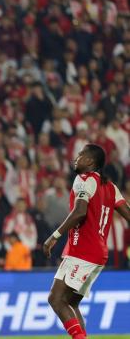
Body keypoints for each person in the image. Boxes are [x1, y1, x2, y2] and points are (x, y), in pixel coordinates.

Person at [43, 144, 130, 339]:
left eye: (81, 155)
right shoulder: (110, 187)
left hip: (82, 250)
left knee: (56, 299)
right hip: (99, 254)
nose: (76, 158)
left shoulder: (83, 179)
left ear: (90, 161)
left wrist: (54, 236)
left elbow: (80, 212)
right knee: (71, 303)